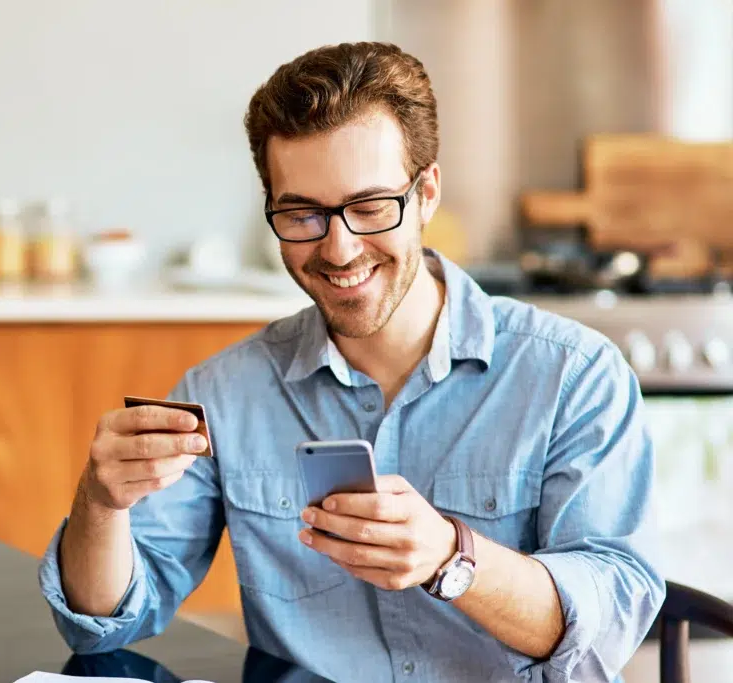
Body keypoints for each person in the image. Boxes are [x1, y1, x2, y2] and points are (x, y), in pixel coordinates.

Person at [39, 41, 665, 682]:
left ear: (426, 194)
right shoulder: (226, 392)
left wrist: (453, 558)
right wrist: (101, 504)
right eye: (302, 213)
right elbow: (102, 625)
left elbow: (605, 627)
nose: (338, 249)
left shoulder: (574, 375)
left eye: (369, 207)